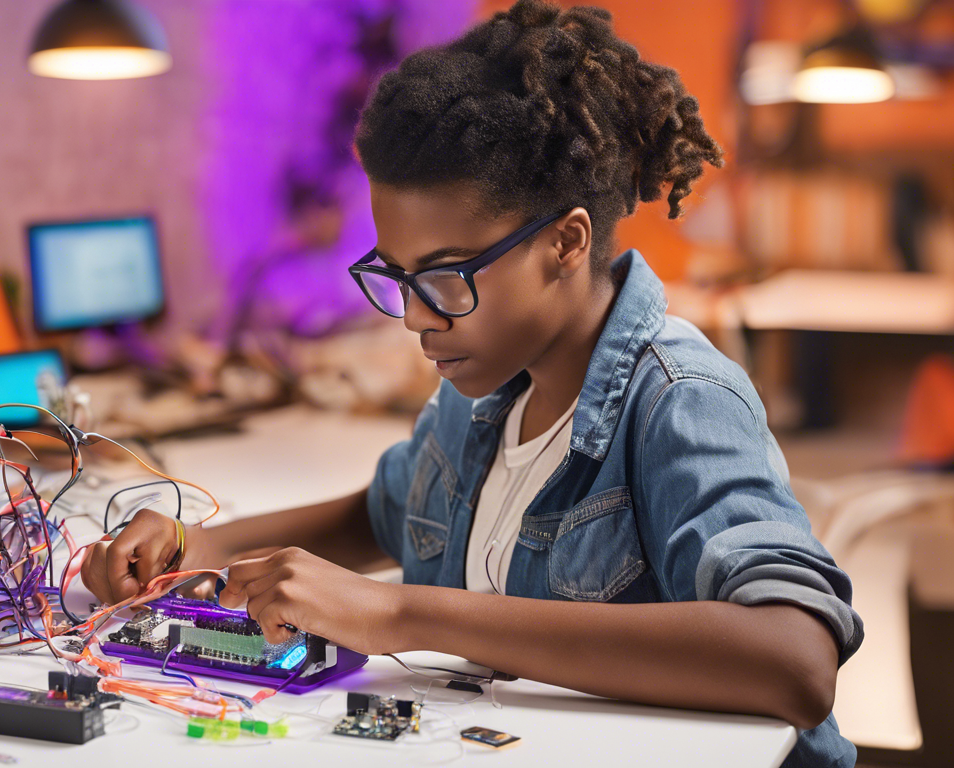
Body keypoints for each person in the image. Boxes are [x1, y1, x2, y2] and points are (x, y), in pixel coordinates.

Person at [82, 3, 862, 765]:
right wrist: (196, 546)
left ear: (565, 242)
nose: (417, 316)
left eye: (447, 277)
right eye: (398, 276)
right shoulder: (478, 394)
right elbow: (386, 515)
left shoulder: (679, 400)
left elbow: (795, 659)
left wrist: (400, 613)